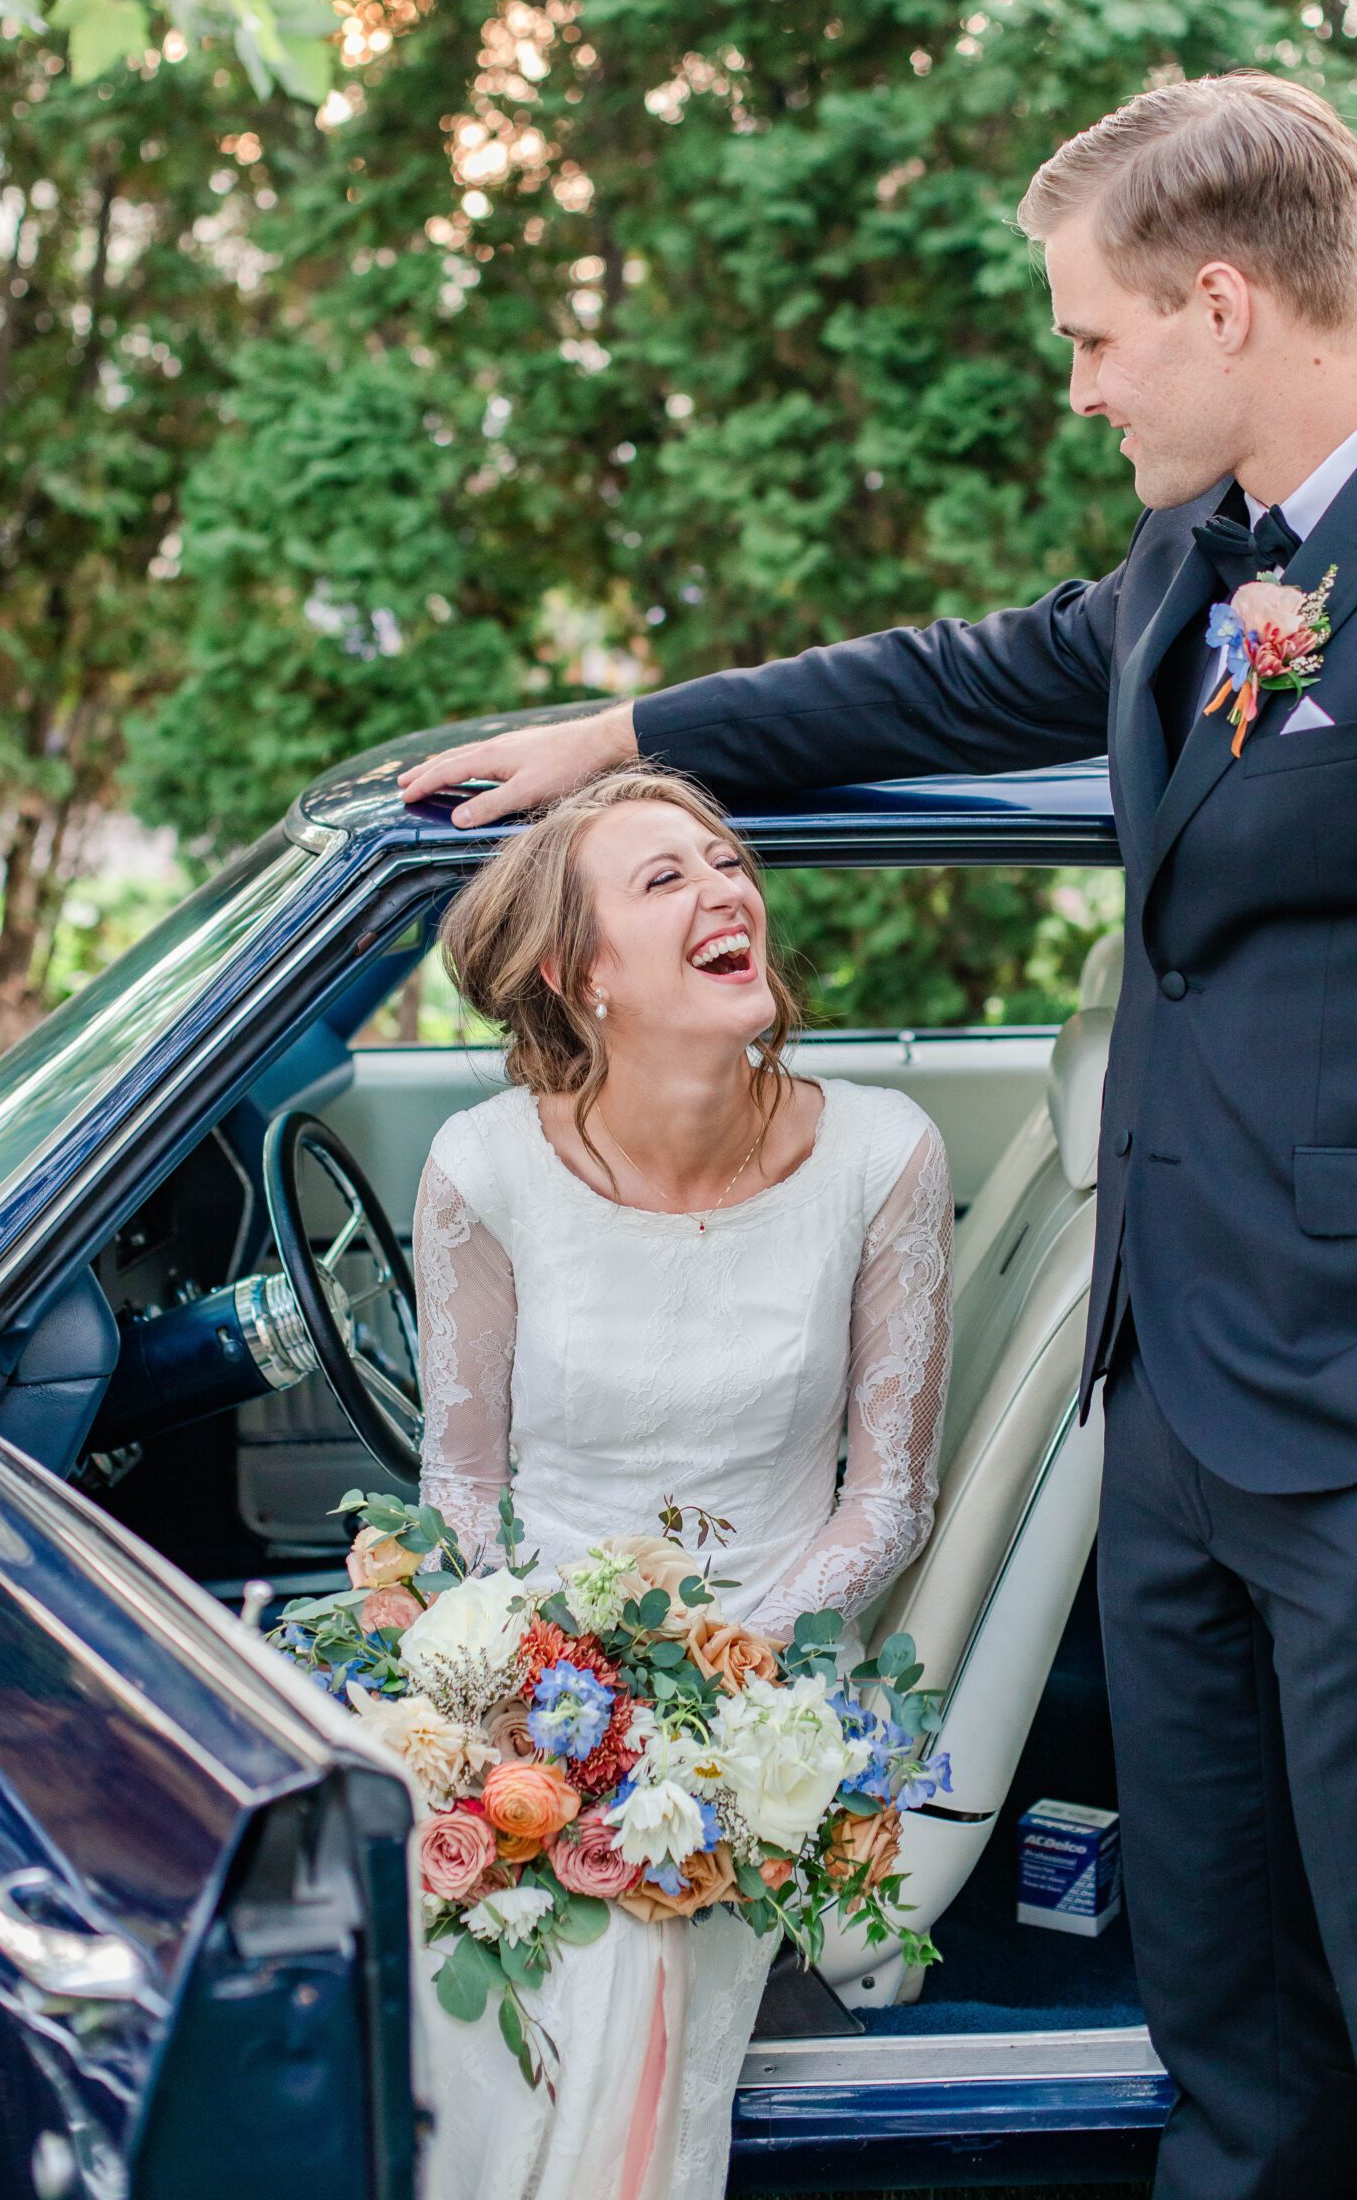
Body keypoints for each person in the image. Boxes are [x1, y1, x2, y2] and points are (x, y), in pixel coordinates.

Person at [400, 72, 1357, 2200]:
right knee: (1225, 2040)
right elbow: (949, 680)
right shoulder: (1190, 563)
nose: (1075, 386)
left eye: (1089, 335)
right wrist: (621, 735)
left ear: (1217, 303)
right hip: (1184, 1442)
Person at [408, 767, 953, 2200]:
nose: (728, 892)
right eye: (666, 880)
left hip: (770, 1698)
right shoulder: (482, 1169)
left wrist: (715, 1694)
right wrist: (529, 1690)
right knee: (405, 1906)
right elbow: (458, 1490)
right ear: (575, 972)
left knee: (623, 1935)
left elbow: (888, 1501)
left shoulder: (886, 1154)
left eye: (727, 863)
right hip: (525, 1678)